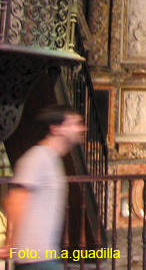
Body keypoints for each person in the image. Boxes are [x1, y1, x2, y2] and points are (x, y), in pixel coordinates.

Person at [0, 105, 86, 268]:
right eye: (74, 123)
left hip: (44, 256)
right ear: (56, 129)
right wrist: (11, 242)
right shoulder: (38, 158)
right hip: (35, 258)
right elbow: (15, 201)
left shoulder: (51, 158)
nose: (81, 128)